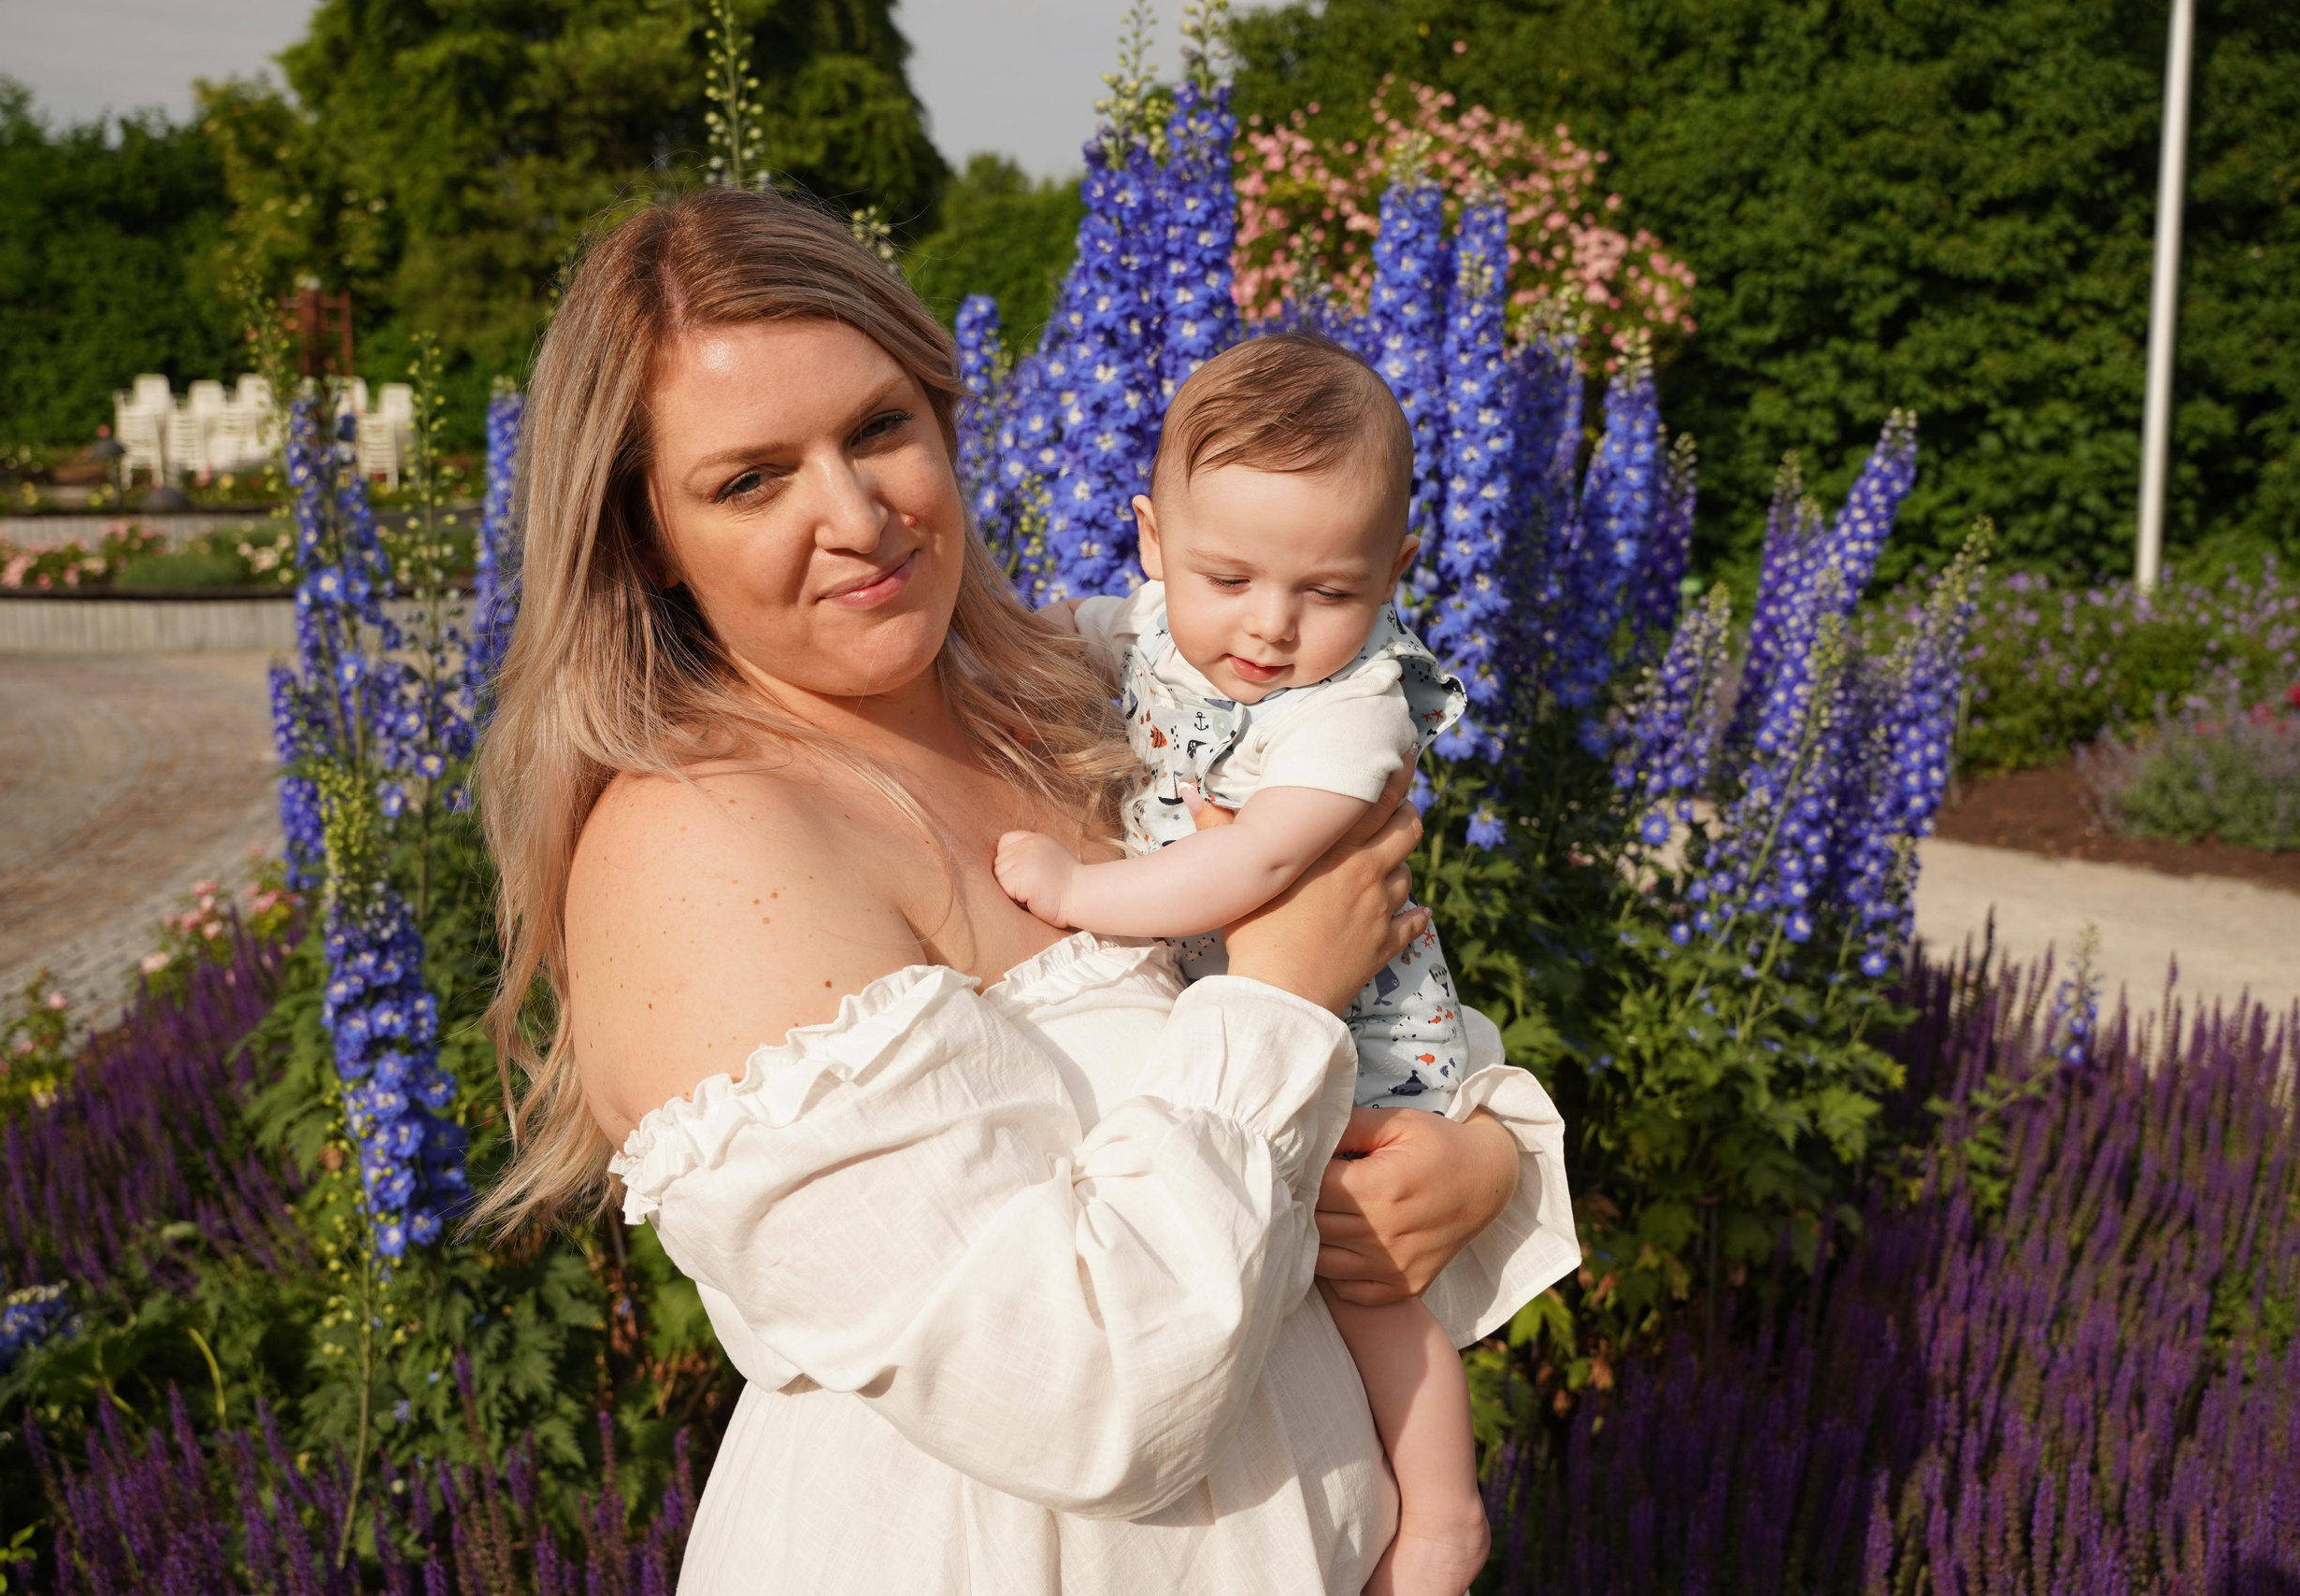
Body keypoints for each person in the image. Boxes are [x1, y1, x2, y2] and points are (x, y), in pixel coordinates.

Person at [471, 185, 1580, 1595]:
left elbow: (1377, 1030)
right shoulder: (698, 845)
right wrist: (1283, 989)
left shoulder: (1077, 693)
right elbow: (1080, 1392)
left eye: (880, 428)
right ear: (642, 539)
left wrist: (1478, 1161)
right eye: (750, 479)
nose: (857, 515)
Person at [993, 334, 1492, 1596]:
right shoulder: (1166, 622)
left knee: (1367, 1278)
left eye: (1327, 590)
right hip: (1236, 1006)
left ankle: (1441, 1516)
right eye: (1230, 576)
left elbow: (1259, 871)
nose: (1270, 627)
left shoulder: (1353, 706)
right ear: (1153, 544)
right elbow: (1072, 639)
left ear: (1397, 571)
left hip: (1353, 1033)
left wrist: (1081, 892)